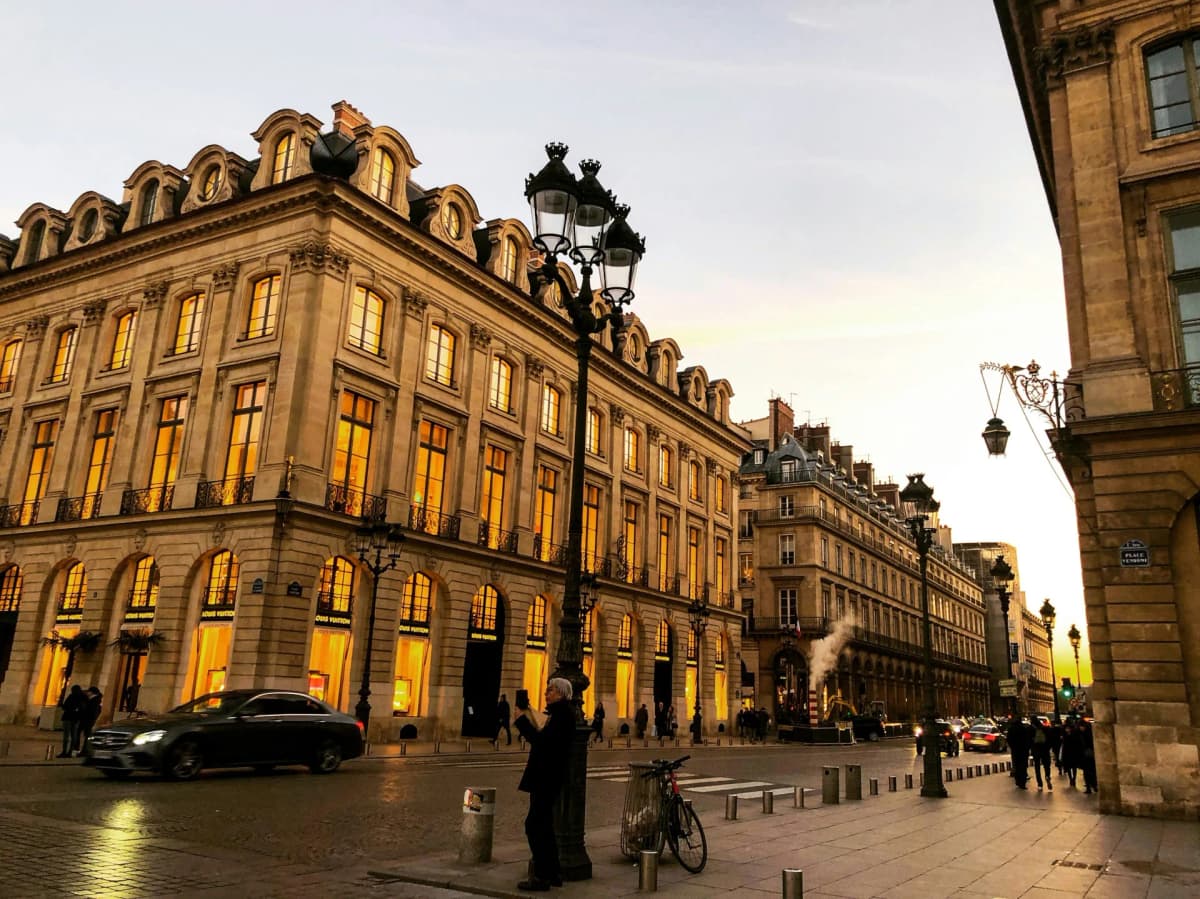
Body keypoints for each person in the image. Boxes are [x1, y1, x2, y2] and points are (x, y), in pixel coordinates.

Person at [514, 678, 575, 892]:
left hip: (546, 778)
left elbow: (543, 743)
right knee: (545, 826)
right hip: (547, 777)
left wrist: (521, 722)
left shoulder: (562, 715)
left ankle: (542, 876)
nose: (546, 693)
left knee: (534, 826)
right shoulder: (558, 714)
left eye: (550, 690)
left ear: (560, 693)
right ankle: (553, 872)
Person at [58, 685, 85, 758]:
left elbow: (65, 706)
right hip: (74, 719)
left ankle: (65, 751)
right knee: (73, 736)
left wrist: (68, 708)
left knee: (67, 736)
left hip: (69, 718)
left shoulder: (73, 696)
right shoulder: (81, 697)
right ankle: (69, 752)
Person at [1007, 718, 1032, 789]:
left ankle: (1017, 780)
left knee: (1017, 765)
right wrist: (1027, 748)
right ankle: (1022, 782)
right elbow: (1027, 739)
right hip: (1023, 750)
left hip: (1015, 750)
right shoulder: (1023, 729)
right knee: (1023, 767)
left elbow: (1009, 739)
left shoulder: (1011, 729)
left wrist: (1012, 746)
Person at [78, 686, 103, 756]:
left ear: (92, 692)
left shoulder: (95, 700)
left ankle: (85, 751)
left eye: (89, 691)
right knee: (87, 736)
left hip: (89, 720)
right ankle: (85, 750)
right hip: (89, 720)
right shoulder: (94, 700)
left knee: (87, 736)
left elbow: (93, 711)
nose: (87, 693)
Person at [1030, 718, 1054, 791]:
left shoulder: (1032, 730)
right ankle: (1047, 776)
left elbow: (1029, 741)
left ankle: (1040, 784)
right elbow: (1050, 739)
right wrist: (1048, 747)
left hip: (1036, 751)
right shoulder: (1046, 729)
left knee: (1037, 767)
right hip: (1045, 750)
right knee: (1047, 765)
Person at [1059, 719, 1082, 788]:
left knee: (1073, 766)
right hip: (1068, 752)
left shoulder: (1073, 733)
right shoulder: (1065, 733)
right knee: (1069, 767)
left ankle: (1073, 778)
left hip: (1071, 752)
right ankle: (1071, 779)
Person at [1078, 720, 1098, 794]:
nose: (1081, 728)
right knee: (1088, 772)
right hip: (1086, 756)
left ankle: (1092, 785)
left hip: (1088, 755)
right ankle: (1090, 786)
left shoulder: (1086, 734)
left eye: (1081, 726)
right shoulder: (1083, 733)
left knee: (1090, 771)